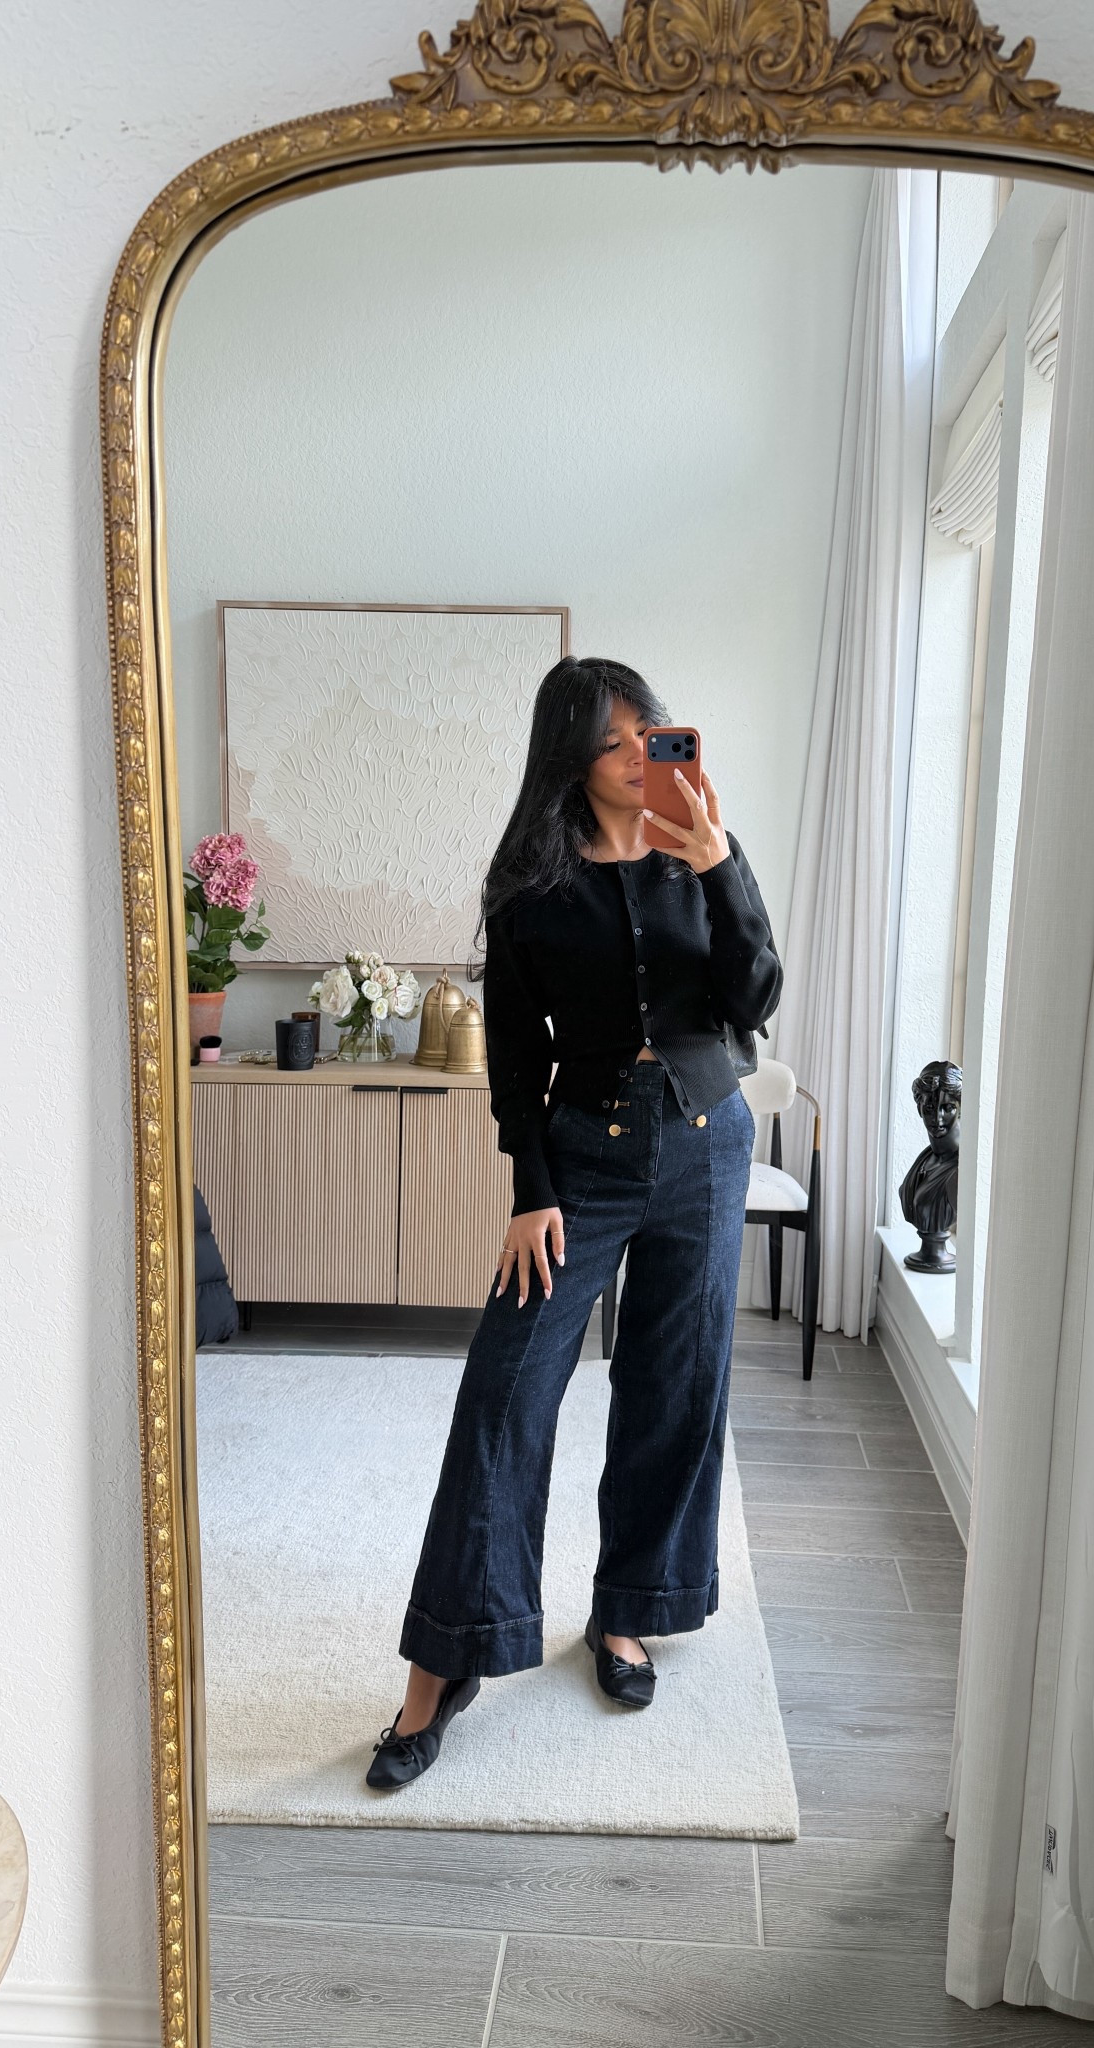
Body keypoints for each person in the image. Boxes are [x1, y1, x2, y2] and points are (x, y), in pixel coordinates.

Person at [367, 655, 784, 1788]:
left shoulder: (703, 855)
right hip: (583, 1157)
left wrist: (721, 865)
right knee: (504, 1391)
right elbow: (516, 1057)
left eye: (652, 731)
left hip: (704, 1144)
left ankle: (629, 1610)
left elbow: (754, 995)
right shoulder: (530, 887)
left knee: (675, 1381)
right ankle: (443, 1664)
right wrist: (532, 1191)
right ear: (573, 760)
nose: (642, 754)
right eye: (615, 740)